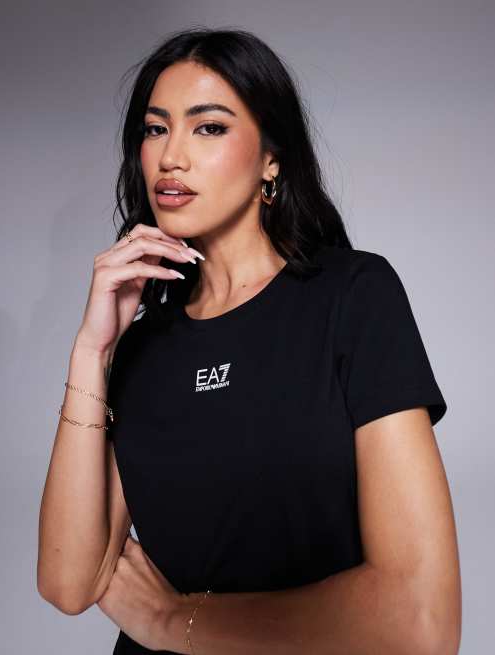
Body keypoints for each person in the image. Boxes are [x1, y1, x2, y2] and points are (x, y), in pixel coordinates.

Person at [37, 27, 462, 655]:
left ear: (272, 159)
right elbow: (69, 582)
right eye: (155, 129)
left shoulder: (353, 297)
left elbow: (421, 623)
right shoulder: (140, 345)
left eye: (208, 127)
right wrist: (91, 352)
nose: (171, 156)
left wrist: (175, 622)